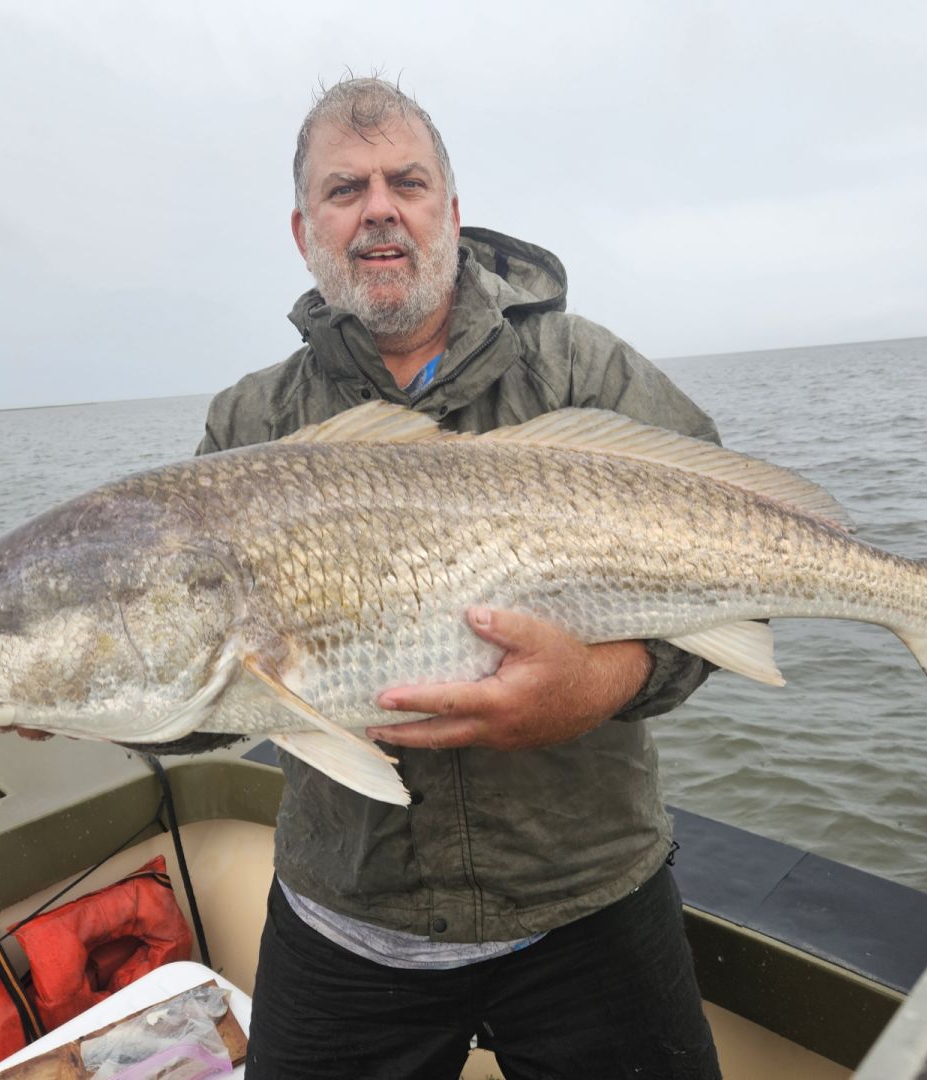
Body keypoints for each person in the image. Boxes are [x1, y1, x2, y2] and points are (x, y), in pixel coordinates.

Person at [198, 77, 724, 1080]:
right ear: (304, 230)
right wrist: (70, 695)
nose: (379, 209)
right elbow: (205, 683)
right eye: (345, 189)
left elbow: (731, 576)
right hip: (345, 919)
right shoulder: (249, 426)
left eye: (407, 182)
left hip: (589, 904)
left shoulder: (584, 373)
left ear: (449, 206)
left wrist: (599, 684)